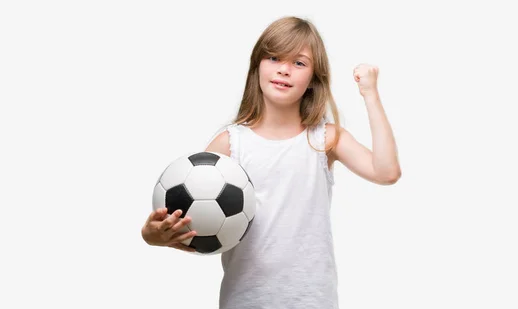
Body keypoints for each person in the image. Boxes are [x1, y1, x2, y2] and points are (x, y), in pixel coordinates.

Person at [141, 16, 401, 309]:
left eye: (299, 63)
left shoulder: (325, 139)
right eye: (274, 56)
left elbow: (387, 171)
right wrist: (155, 235)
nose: (284, 69)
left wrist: (370, 95)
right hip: (245, 301)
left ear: (314, 79)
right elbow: (203, 232)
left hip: (312, 301)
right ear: (257, 66)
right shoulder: (229, 144)